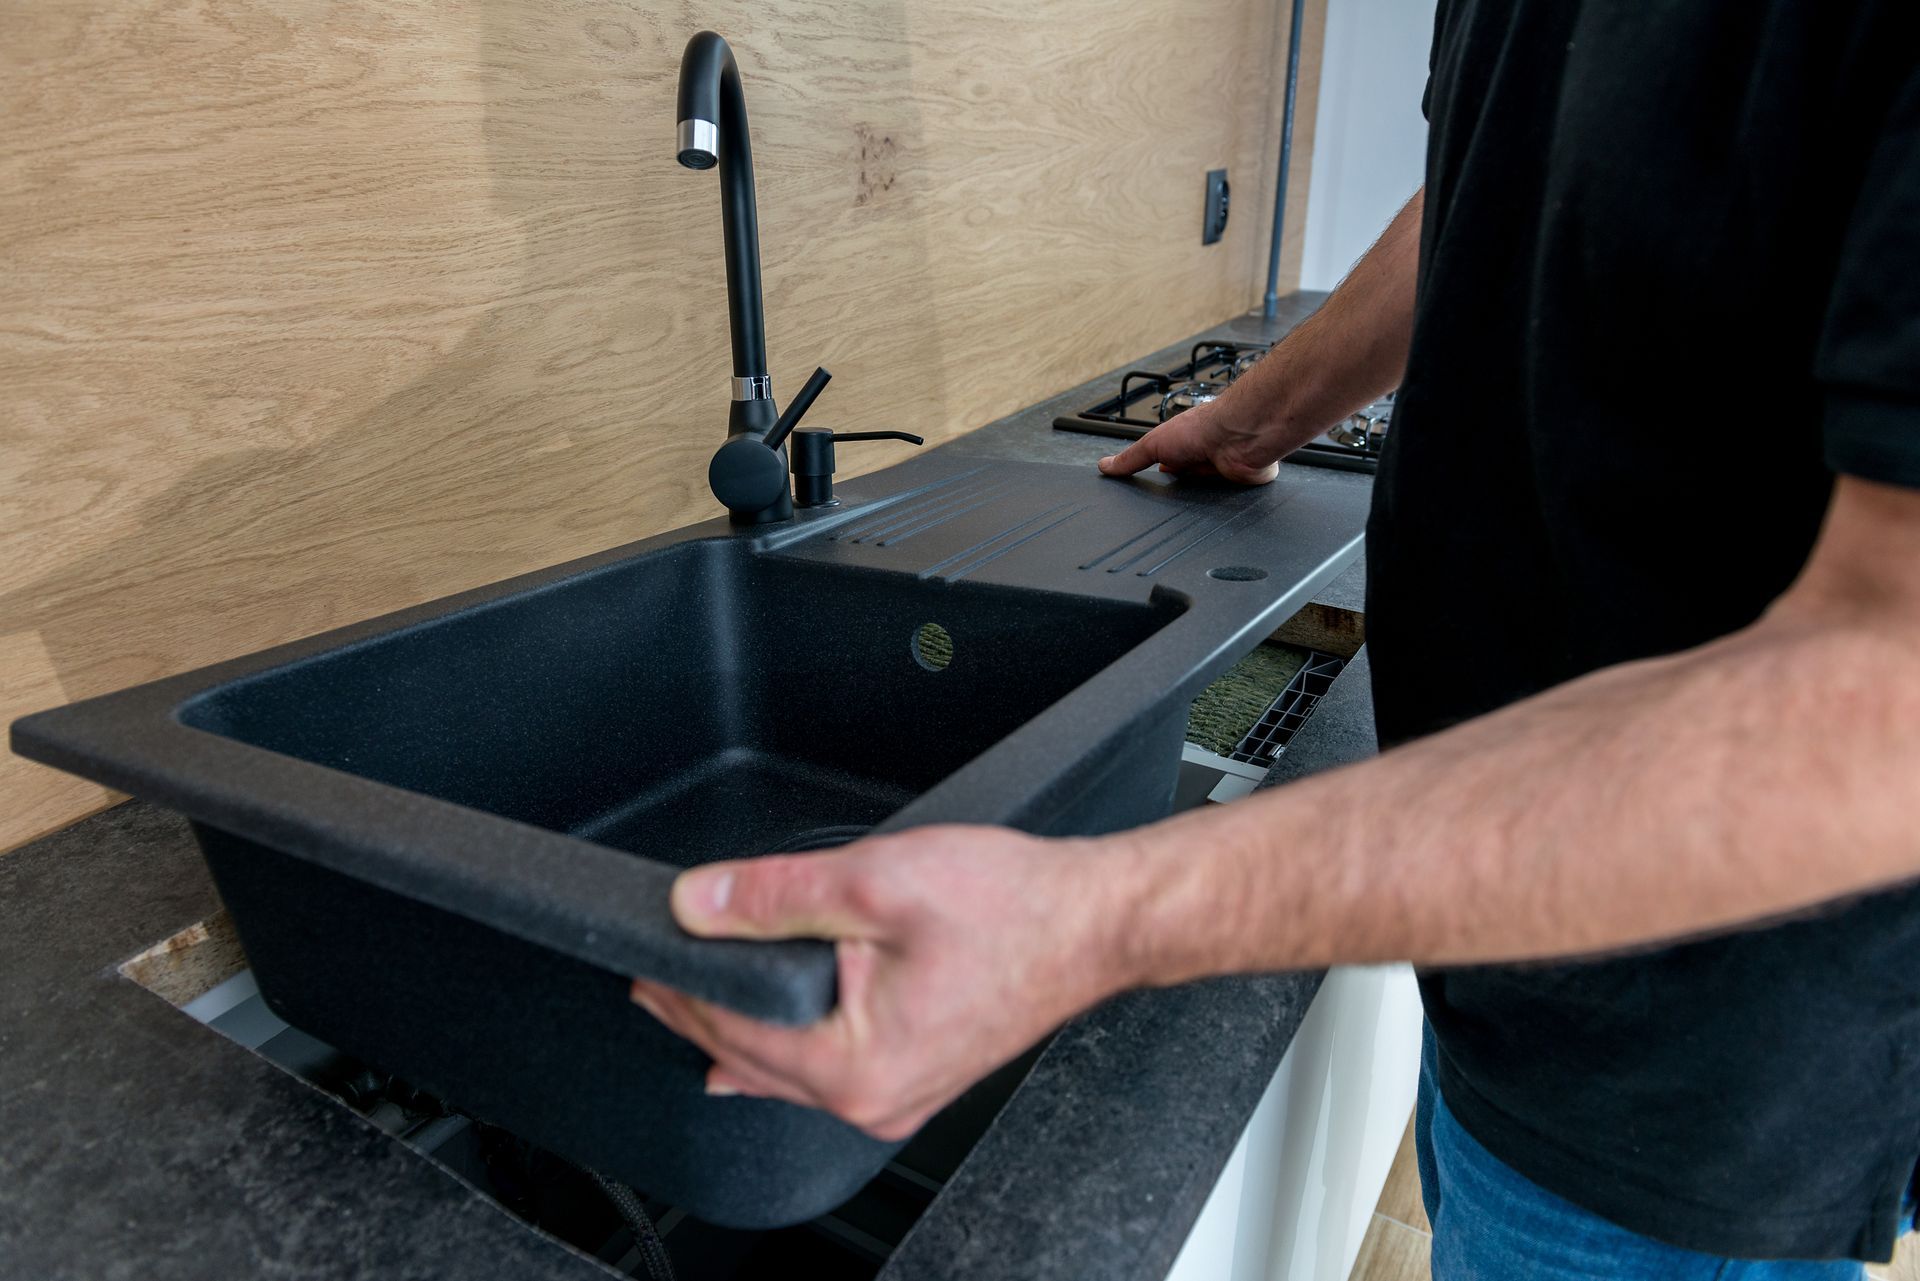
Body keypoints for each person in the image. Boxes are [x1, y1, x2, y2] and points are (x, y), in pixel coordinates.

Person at [629, 4, 1920, 1275]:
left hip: (1712, 1032)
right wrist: (1256, 417)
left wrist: (1093, 920)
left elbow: (1889, 705)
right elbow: (1490, 182)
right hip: (1518, 898)